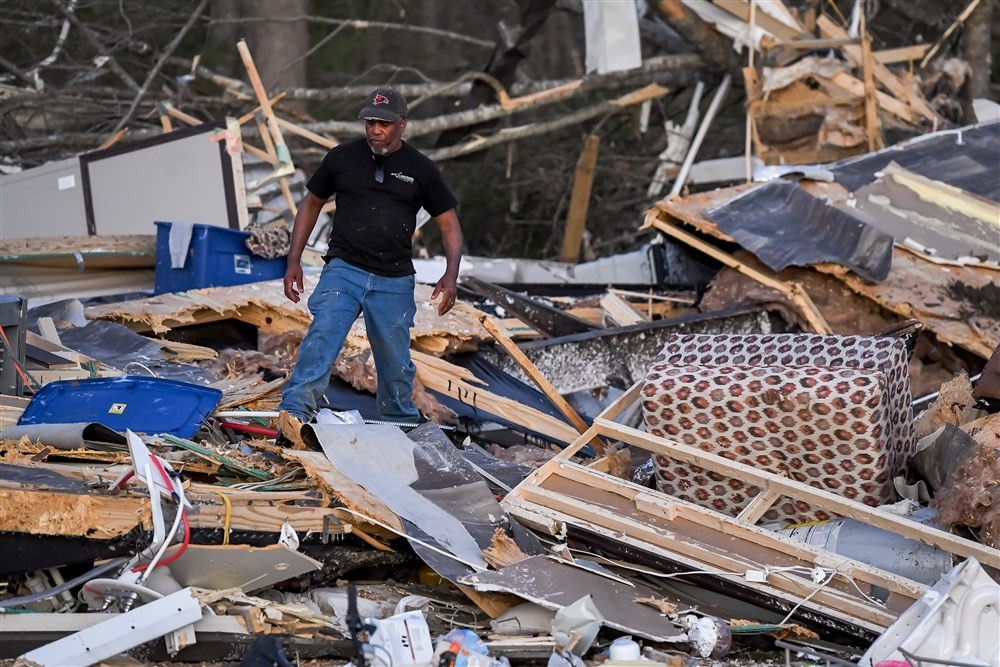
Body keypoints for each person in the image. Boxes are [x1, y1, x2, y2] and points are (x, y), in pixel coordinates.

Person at [277, 86, 463, 427]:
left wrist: (451, 275)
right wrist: (293, 261)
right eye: (370, 122)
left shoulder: (420, 168)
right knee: (322, 337)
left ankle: (399, 424)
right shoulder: (341, 158)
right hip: (344, 269)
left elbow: (449, 223)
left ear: (402, 125)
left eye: (384, 123)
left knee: (394, 361)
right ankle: (294, 415)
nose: (375, 129)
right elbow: (312, 204)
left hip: (394, 279)